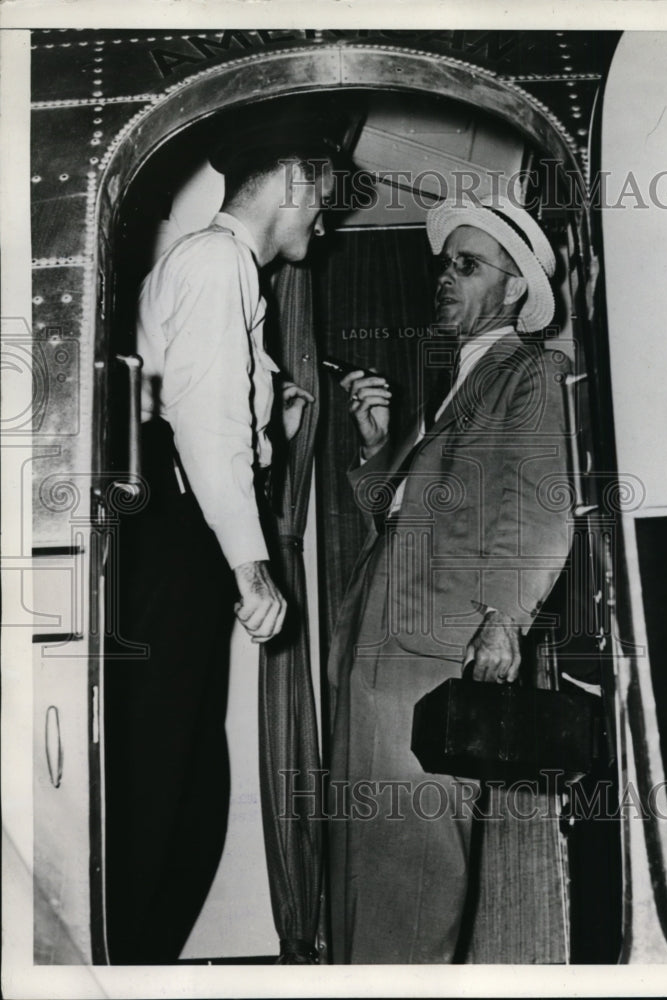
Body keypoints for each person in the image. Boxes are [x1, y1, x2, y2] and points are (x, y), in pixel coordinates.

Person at [104, 122, 341, 963]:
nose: (326, 216)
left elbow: (212, 408)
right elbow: (205, 427)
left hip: (179, 534)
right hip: (182, 535)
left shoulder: (223, 266)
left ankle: (132, 959)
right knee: (170, 783)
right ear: (297, 182)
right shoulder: (218, 262)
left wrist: (270, 418)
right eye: (326, 192)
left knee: (184, 780)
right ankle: (124, 964)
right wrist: (251, 565)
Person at [327, 194, 574, 963]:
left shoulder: (530, 371)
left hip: (429, 650)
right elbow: (401, 518)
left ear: (512, 290)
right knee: (366, 856)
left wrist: (504, 619)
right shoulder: (461, 382)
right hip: (380, 644)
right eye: (443, 263)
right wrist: (376, 451)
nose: (444, 277)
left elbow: (537, 501)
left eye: (466, 265)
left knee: (413, 862)